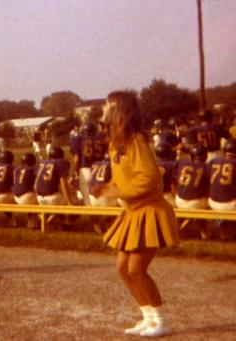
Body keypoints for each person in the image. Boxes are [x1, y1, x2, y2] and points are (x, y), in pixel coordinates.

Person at [93, 91, 179, 337]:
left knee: (136, 270)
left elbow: (150, 180)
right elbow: (122, 175)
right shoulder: (117, 143)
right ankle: (147, 317)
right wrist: (107, 187)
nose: (102, 108)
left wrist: (115, 192)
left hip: (149, 212)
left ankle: (161, 321)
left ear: (119, 111)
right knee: (123, 268)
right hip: (133, 212)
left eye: (106, 105)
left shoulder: (136, 141)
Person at [207, 138, 236, 240]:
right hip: (230, 204)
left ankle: (222, 226)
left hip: (212, 202)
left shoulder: (213, 161)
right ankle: (230, 230)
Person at [13, 152, 39, 228]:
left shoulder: (17, 169)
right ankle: (35, 222)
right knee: (40, 196)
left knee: (31, 195)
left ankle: (31, 221)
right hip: (27, 197)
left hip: (16, 198)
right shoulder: (32, 169)